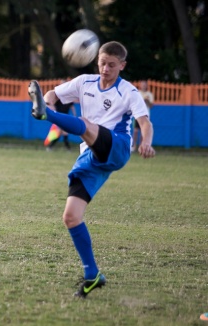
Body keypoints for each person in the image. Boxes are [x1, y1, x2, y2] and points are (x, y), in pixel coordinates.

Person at [28, 41, 155, 298]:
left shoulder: (128, 92)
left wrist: (146, 142)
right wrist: (48, 102)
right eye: (102, 63)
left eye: (111, 65)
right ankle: (92, 274)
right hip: (90, 157)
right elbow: (52, 94)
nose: (106, 69)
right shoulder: (84, 82)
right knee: (71, 217)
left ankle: (45, 117)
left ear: (122, 65)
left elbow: (144, 122)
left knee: (85, 124)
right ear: (96, 60)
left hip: (117, 147)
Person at [132, 80, 154, 152]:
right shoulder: (137, 93)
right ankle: (133, 146)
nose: (143, 86)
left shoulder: (149, 94)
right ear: (140, 85)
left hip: (146, 115)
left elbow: (151, 106)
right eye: (142, 84)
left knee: (143, 132)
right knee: (135, 131)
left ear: (146, 86)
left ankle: (142, 147)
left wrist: (147, 101)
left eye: (145, 85)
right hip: (137, 115)